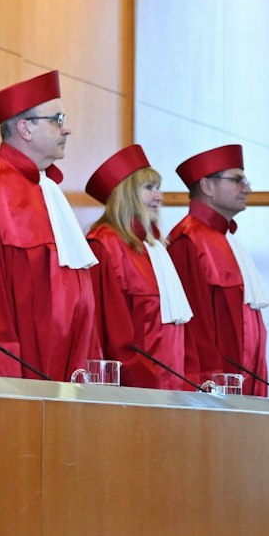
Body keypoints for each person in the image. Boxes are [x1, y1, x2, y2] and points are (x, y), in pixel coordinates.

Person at [0, 71, 101, 380]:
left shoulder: (50, 191)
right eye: (57, 119)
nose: (68, 129)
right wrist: (4, 387)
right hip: (22, 384)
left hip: (68, 375)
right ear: (25, 129)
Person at [83, 144, 195, 389]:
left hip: (172, 385)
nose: (158, 196)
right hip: (138, 388)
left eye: (158, 188)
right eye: (149, 188)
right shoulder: (104, 245)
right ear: (126, 193)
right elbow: (112, 334)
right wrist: (147, 383)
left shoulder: (155, 248)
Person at [168, 144, 269, 396]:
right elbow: (193, 330)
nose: (247, 188)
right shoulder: (188, 240)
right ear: (207, 186)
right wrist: (208, 386)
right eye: (237, 180)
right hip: (214, 391)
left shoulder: (228, 240)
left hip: (242, 385)